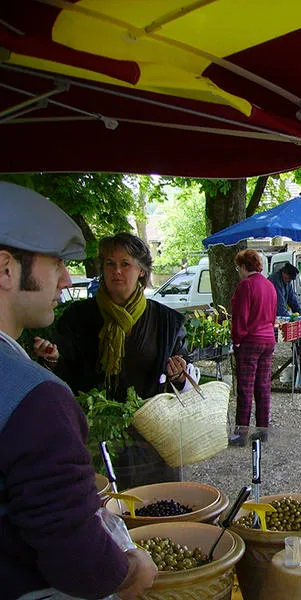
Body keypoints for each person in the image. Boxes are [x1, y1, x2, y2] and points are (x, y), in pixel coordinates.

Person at [0, 182, 157, 599]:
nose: (67, 279)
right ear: (6, 269)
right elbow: (72, 549)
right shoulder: (37, 398)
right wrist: (128, 570)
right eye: (55, 263)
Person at [34, 232, 193, 488]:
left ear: (141, 271)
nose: (116, 271)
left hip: (152, 445)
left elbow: (184, 381)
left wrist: (178, 374)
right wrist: (52, 360)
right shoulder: (77, 318)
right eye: (110, 263)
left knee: (155, 507)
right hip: (95, 443)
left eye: (125, 264)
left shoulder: (167, 322)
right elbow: (63, 379)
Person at [230, 249, 277, 445]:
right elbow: (273, 315)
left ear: (243, 266)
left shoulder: (246, 285)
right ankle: (262, 430)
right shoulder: (269, 285)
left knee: (245, 388)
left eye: (238, 268)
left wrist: (237, 339)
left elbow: (240, 316)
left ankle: (240, 434)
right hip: (268, 339)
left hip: (250, 341)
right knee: (263, 386)